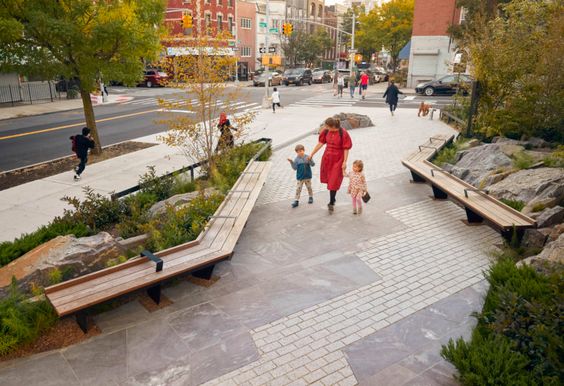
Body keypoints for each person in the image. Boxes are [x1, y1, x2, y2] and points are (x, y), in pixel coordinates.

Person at [308, 117, 352, 213]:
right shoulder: (326, 131)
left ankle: (331, 202)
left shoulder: (343, 133)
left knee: (334, 180)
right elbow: (320, 143)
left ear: (333, 126)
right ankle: (333, 199)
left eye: (327, 126)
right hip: (327, 158)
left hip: (338, 159)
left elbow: (346, 148)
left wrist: (345, 161)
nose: (325, 128)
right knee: (329, 179)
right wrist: (312, 154)